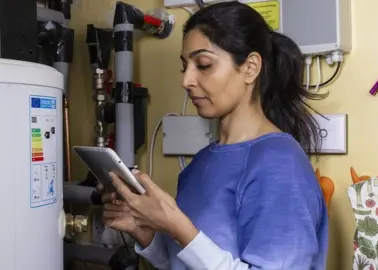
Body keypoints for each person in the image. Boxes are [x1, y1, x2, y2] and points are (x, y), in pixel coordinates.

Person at [100, 2, 329, 269]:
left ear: (250, 68)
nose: (186, 80)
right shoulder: (200, 164)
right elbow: (185, 262)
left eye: (204, 64)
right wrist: (146, 231)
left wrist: (177, 225)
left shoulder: (281, 164)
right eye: (185, 66)